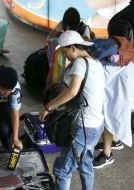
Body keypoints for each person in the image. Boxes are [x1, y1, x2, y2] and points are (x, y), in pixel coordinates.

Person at [39, 30, 105, 190]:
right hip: (97, 125)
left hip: (84, 128)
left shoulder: (80, 63)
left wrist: (49, 106)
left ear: (73, 48)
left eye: (65, 51)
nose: (65, 56)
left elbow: (72, 91)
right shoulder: (96, 62)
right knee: (85, 165)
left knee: (62, 171)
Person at [93, 17, 134, 169]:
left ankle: (107, 154)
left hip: (113, 97)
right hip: (123, 96)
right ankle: (115, 141)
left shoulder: (104, 55)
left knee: (108, 116)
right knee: (114, 115)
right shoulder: (128, 54)